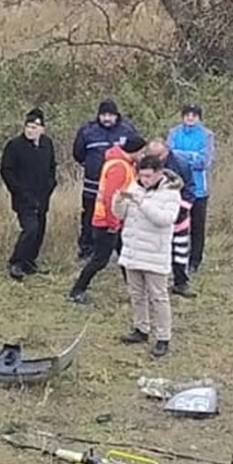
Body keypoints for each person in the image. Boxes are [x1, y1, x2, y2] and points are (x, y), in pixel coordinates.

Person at [113, 155, 183, 358]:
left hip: (155, 252)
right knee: (136, 294)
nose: (144, 180)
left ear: (159, 174)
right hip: (133, 249)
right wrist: (118, 201)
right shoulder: (135, 186)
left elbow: (165, 219)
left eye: (148, 176)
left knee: (158, 296)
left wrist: (142, 203)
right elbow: (120, 215)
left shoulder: (171, 193)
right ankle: (140, 328)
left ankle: (163, 336)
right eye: (141, 176)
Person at [67, 134, 146, 304]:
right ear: (134, 152)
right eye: (141, 152)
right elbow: (111, 196)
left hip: (115, 220)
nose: (143, 156)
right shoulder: (120, 166)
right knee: (100, 260)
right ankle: (77, 290)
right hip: (107, 221)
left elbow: (121, 191)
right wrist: (113, 223)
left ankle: (135, 292)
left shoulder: (124, 164)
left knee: (125, 256)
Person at [72, 99, 141, 260]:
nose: (107, 118)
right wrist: (91, 166)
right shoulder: (87, 131)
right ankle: (87, 250)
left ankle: (120, 250)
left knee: (121, 213)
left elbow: (136, 150)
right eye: (103, 115)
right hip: (93, 184)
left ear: (117, 116)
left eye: (110, 115)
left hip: (121, 185)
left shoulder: (127, 130)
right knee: (89, 216)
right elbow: (78, 154)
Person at [0, 107, 57, 281]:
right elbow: (6, 170)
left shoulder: (47, 143)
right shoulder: (15, 145)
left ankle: (29, 261)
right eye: (28, 127)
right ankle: (15, 262)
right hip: (24, 197)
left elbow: (52, 166)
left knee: (40, 230)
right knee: (30, 229)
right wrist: (18, 191)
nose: (31, 130)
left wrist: (51, 184)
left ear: (42, 129)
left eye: (34, 127)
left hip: (42, 196)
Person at [166, 103, 215, 275]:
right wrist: (191, 156)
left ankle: (195, 260)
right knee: (175, 223)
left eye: (194, 115)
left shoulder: (207, 135)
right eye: (187, 114)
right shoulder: (174, 132)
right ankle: (175, 258)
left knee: (197, 225)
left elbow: (204, 161)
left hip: (199, 189)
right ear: (182, 116)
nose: (190, 117)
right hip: (176, 186)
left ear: (199, 118)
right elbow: (169, 156)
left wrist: (181, 156)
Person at [145, 138, 196, 297]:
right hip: (155, 217)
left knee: (180, 250)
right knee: (155, 251)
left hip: (179, 218)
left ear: (167, 151)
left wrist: (181, 209)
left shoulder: (181, 163)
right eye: (151, 155)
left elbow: (190, 189)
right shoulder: (144, 165)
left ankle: (181, 283)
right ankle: (154, 286)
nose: (155, 159)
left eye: (159, 155)